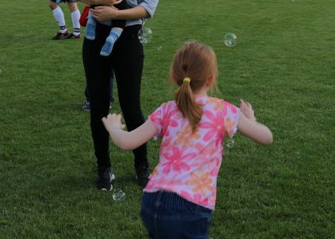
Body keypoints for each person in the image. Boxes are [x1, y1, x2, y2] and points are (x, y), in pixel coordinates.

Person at [102, 41, 273, 238]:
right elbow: (266, 137)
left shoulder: (166, 109)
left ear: (175, 76)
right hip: (191, 207)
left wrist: (114, 128)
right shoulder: (222, 110)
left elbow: (126, 142)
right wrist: (251, 120)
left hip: (152, 201)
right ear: (210, 80)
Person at [71, 0, 163, 191]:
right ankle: (104, 167)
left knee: (131, 105)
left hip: (129, 37)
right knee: (98, 104)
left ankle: (142, 166)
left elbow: (148, 7)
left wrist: (115, 12)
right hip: (96, 37)